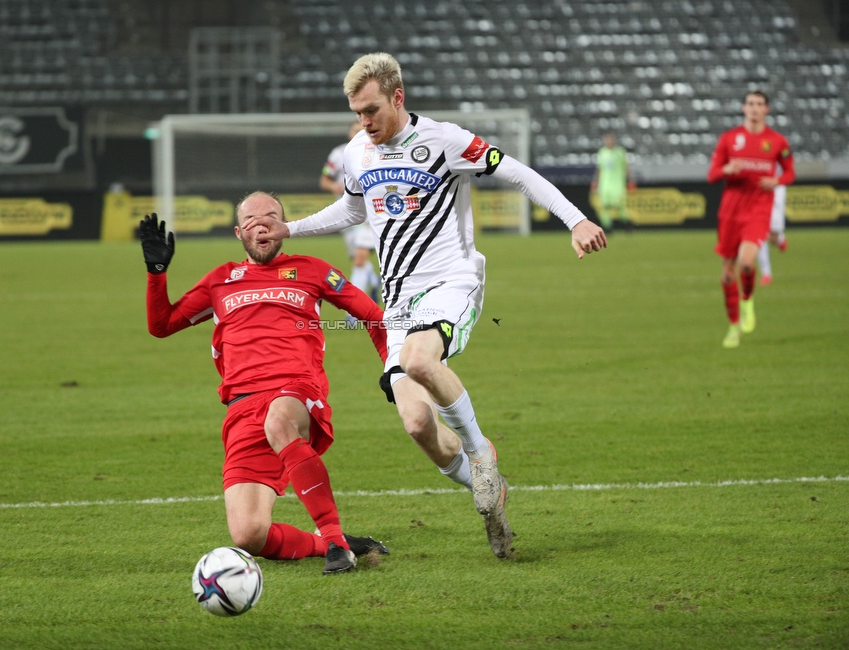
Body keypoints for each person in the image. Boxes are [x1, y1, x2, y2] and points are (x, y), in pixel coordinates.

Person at [243, 52, 607, 559]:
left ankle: (483, 455)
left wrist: (576, 220)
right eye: (356, 113)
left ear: (398, 97)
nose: (364, 122)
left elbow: (519, 173)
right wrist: (292, 227)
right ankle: (491, 495)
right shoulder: (357, 151)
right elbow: (352, 207)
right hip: (399, 299)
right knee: (418, 425)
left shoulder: (444, 140)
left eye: (371, 110)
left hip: (451, 280)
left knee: (419, 360)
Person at [140, 192, 390, 574]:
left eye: (270, 216)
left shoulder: (313, 269)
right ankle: (329, 544)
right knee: (249, 534)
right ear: (239, 232)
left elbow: (373, 316)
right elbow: (161, 326)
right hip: (241, 406)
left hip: (295, 388)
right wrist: (157, 273)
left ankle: (335, 540)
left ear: (283, 229)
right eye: (252, 219)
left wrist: (395, 366)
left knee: (279, 421)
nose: (261, 223)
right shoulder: (220, 280)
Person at [707, 91, 795, 348]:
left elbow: (790, 173)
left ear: (767, 109)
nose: (754, 108)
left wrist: (777, 180)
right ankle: (733, 325)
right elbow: (712, 175)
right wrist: (726, 169)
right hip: (730, 211)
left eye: (759, 104)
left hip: (758, 209)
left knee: (747, 262)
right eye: (750, 104)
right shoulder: (729, 139)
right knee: (726, 274)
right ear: (744, 108)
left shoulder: (777, 141)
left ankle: (747, 300)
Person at [320, 121, 382, 322]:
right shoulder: (339, 154)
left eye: (362, 131)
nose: (358, 133)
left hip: (371, 213)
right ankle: (373, 281)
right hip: (347, 215)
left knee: (360, 258)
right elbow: (324, 180)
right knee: (357, 259)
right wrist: (335, 187)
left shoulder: (379, 153)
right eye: (355, 130)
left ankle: (352, 313)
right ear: (349, 133)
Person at [590, 132, 634, 232]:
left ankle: (627, 224)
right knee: (604, 206)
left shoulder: (620, 152)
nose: (608, 142)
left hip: (618, 185)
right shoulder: (602, 152)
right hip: (604, 185)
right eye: (606, 140)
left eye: (610, 139)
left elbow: (626, 167)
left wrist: (630, 180)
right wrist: (595, 182)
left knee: (620, 206)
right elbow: (599, 169)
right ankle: (607, 227)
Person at [756, 183, 789, 286]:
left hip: (776, 187)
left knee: (772, 238)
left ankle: (779, 239)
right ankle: (766, 274)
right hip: (759, 189)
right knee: (759, 234)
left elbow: (789, 173)